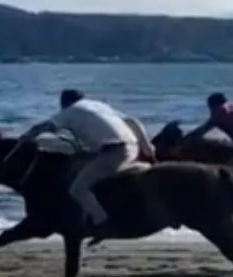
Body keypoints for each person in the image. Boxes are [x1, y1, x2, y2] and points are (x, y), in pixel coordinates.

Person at [16, 89, 156, 234]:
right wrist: (146, 146)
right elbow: (132, 121)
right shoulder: (99, 106)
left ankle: (102, 221)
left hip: (114, 152)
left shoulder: (69, 111)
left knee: (78, 188)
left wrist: (26, 136)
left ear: (64, 103)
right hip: (132, 147)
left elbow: (45, 127)